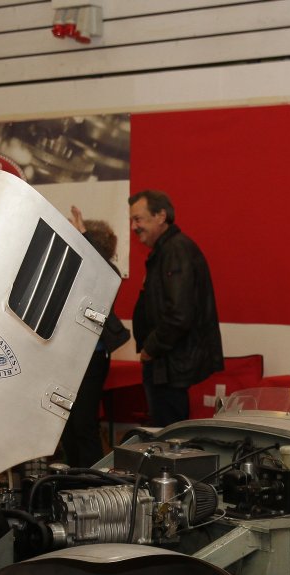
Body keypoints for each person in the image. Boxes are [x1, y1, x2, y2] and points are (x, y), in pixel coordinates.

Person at [127, 190, 223, 426]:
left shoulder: (175, 251)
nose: (133, 227)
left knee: (167, 435)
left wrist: (151, 348)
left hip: (169, 365)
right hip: (167, 363)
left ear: (161, 216)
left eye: (138, 219)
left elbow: (179, 314)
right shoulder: (168, 250)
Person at [59, 207, 130, 468]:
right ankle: (72, 481)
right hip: (70, 358)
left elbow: (103, 267)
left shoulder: (105, 274)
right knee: (67, 427)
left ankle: (91, 483)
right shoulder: (78, 271)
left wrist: (84, 236)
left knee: (83, 425)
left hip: (92, 359)